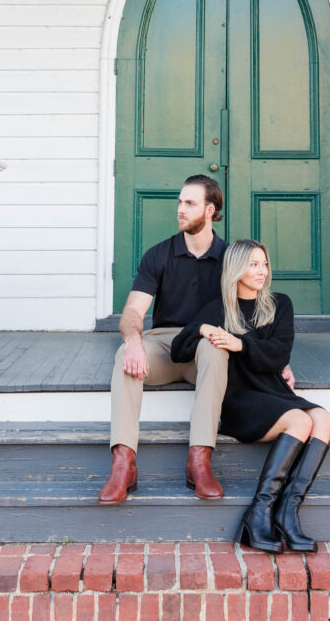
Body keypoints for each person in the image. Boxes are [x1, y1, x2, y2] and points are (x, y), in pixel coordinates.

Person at [171, 238, 330, 553]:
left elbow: (278, 354)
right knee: (300, 421)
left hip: (273, 391)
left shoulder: (279, 304)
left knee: (324, 418)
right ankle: (259, 514)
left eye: (264, 264)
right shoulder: (219, 307)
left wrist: (240, 344)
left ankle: (287, 512)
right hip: (241, 399)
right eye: (253, 264)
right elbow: (179, 350)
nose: (262, 271)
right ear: (236, 268)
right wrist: (204, 329)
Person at [98, 175, 230, 504]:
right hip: (165, 345)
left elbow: (253, 314)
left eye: (190, 204)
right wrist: (133, 342)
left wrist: (278, 362)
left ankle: (199, 462)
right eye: (180, 202)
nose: (181, 210)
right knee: (124, 359)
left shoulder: (230, 259)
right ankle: (123, 465)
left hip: (203, 347)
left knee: (216, 351)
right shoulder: (159, 255)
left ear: (210, 210)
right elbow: (133, 311)